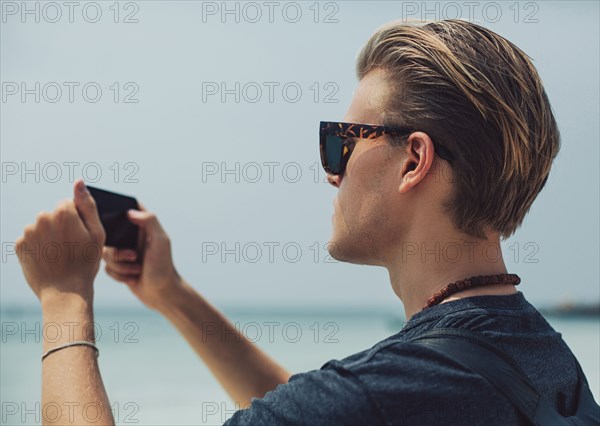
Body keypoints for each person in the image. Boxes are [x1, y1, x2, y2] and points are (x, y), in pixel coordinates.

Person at [15, 19, 591, 425]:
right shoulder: (544, 359)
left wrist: (64, 301)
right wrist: (172, 296)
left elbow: (344, 407)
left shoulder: (383, 394)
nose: (330, 174)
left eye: (341, 142)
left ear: (414, 161)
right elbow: (329, 408)